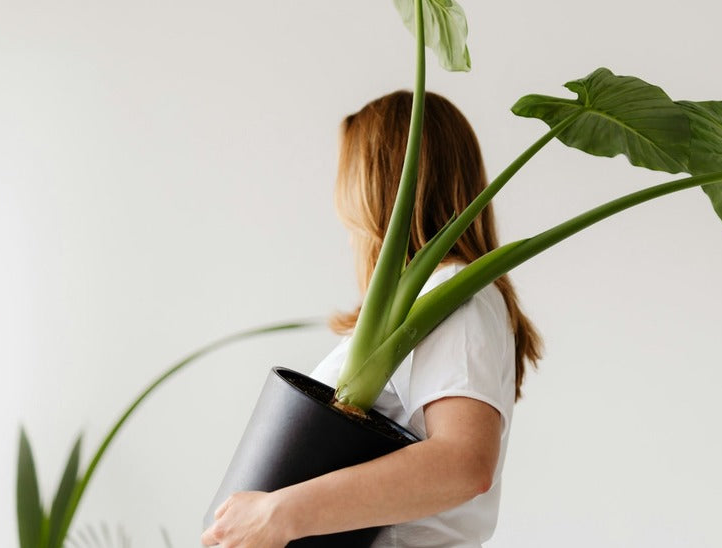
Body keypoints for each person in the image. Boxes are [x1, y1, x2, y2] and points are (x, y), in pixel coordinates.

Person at [201, 91, 543, 548]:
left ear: (377, 186)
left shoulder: (457, 295)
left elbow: (464, 462)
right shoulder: (429, 301)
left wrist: (280, 514)